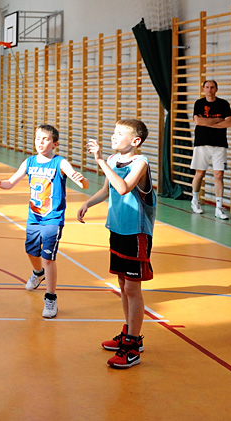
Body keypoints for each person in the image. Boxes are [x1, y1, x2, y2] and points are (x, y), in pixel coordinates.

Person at [77, 119, 156, 369]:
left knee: (132, 288)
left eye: (120, 133)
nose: (113, 136)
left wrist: (100, 160)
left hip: (136, 233)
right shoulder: (112, 160)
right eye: (114, 132)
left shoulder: (140, 163)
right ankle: (130, 333)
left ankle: (132, 346)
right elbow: (107, 190)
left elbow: (122, 188)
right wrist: (88, 203)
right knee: (122, 284)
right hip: (118, 229)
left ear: (135, 141)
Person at [0, 124, 89, 318]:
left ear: (54, 144)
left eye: (45, 139)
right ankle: (38, 273)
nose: (40, 142)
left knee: (48, 258)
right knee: (31, 251)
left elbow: (82, 184)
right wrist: (0, 183)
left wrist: (82, 180)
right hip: (34, 217)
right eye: (37, 138)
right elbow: (11, 182)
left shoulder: (60, 163)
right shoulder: (29, 162)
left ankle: (51, 298)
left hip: (53, 217)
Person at [190, 79, 231, 220]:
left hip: (220, 144)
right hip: (202, 143)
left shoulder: (223, 104)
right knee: (200, 173)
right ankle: (195, 200)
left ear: (216, 89)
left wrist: (207, 122)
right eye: (207, 87)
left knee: (219, 175)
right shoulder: (199, 103)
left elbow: (230, 122)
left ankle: (219, 208)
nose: (210, 89)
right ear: (203, 89)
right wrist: (219, 120)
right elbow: (198, 121)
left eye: (212, 87)